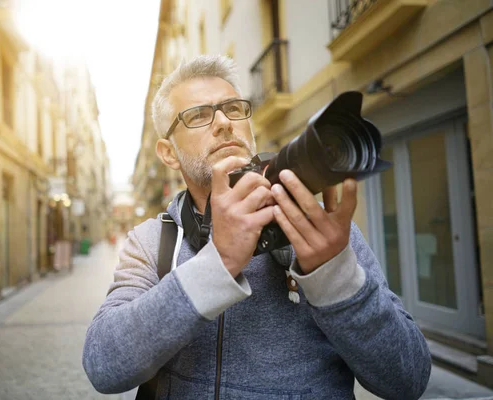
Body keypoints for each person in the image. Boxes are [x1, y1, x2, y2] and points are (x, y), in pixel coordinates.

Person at [82, 55, 431, 399]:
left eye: (233, 108)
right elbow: (104, 365)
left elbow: (408, 379)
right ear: (168, 153)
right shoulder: (151, 241)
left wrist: (335, 279)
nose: (223, 122)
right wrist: (215, 266)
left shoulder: (319, 228)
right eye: (198, 115)